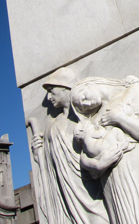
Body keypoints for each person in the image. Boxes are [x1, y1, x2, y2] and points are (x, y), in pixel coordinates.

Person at [71, 75, 139, 224]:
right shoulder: (92, 121)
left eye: (83, 97)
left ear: (90, 84)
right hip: (112, 182)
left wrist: (119, 118)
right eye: (83, 107)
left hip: (137, 168)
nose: (86, 104)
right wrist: (99, 164)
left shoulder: (132, 91)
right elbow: (85, 156)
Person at [31, 67, 109, 224]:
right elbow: (50, 164)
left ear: (65, 87)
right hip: (66, 195)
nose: (48, 97)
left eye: (52, 91)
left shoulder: (86, 117)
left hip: (90, 190)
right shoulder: (53, 126)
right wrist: (38, 153)